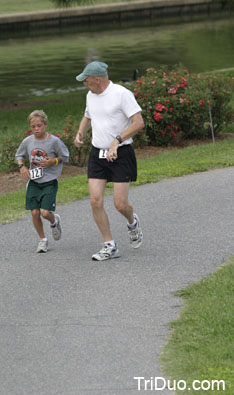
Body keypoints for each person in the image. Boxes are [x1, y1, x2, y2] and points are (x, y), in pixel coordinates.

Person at [74, 61, 145, 261]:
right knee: (95, 200)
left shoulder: (121, 94)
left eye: (86, 80)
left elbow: (138, 122)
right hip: (98, 154)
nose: (84, 84)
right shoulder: (90, 95)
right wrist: (80, 132)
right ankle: (109, 245)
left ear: (97, 79)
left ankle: (132, 222)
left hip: (121, 154)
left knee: (120, 205)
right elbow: (88, 116)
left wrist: (117, 140)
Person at [16, 110, 69, 253]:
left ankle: (54, 221)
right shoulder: (27, 141)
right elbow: (19, 155)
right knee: (34, 213)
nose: (36, 129)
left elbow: (65, 156)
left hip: (49, 181)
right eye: (33, 126)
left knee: (45, 213)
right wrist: (22, 166)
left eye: (39, 125)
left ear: (45, 124)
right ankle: (43, 240)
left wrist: (54, 161)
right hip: (34, 181)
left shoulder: (54, 141)